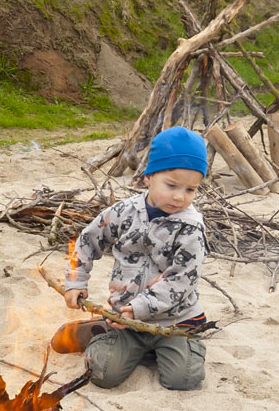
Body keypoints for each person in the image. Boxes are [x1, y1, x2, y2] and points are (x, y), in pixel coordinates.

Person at [54, 125, 209, 392]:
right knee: (102, 374)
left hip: (174, 321)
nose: (179, 196)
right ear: (148, 177)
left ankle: (162, 348)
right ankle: (102, 330)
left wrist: (141, 307)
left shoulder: (191, 228)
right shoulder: (124, 212)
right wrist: (76, 280)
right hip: (125, 320)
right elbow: (88, 240)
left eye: (190, 190)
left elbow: (181, 281)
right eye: (171, 185)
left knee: (183, 379)